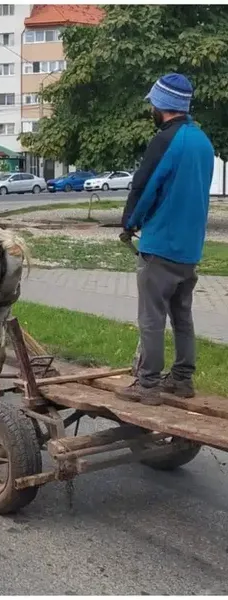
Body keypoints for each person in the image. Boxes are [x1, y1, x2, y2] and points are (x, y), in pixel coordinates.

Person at [117, 73, 214, 405]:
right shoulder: (203, 141)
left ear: (163, 105)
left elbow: (144, 186)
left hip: (160, 246)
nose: (152, 109)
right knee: (182, 315)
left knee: (151, 318)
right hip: (189, 250)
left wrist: (129, 223)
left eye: (154, 104)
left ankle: (147, 385)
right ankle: (183, 379)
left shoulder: (164, 141)